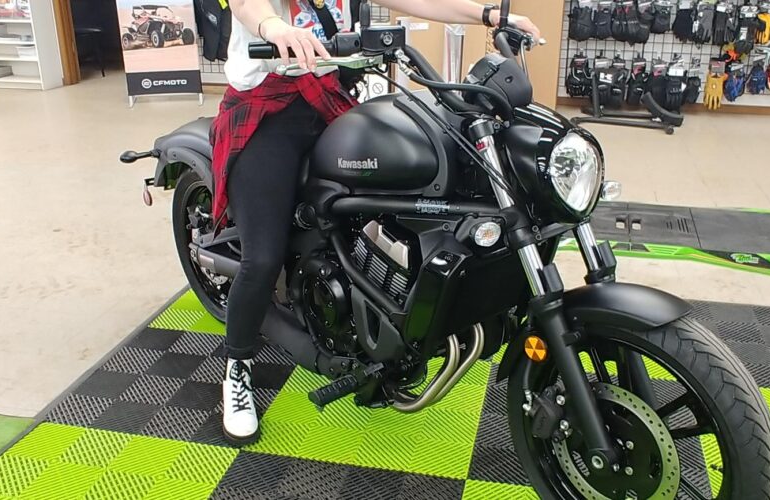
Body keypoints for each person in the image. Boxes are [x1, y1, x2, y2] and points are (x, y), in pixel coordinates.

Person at [213, 0, 540, 445]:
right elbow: (248, 5)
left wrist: (490, 16)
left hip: (332, 99)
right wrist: (274, 28)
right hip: (268, 111)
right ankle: (237, 369)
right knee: (263, 257)